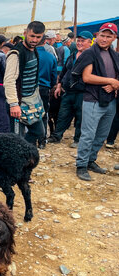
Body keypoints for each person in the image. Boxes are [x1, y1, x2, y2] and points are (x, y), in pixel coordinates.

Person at [72, 23, 119, 181]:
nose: (104, 39)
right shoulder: (90, 53)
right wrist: (111, 81)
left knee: (102, 135)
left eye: (109, 36)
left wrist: (114, 85)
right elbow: (87, 77)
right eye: (102, 35)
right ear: (97, 36)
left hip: (110, 99)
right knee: (88, 134)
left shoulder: (113, 54)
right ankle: (81, 165)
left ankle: (91, 160)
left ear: (114, 38)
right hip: (93, 99)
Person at [48, 31, 93, 148]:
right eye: (78, 40)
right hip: (68, 92)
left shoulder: (92, 57)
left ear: (90, 42)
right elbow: (64, 72)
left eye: (83, 41)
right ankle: (56, 136)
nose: (79, 43)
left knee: (80, 117)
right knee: (63, 115)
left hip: (83, 92)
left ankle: (77, 140)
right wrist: (59, 85)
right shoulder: (72, 55)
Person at [3, 21, 46, 144]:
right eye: (32, 36)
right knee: (17, 140)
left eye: (38, 37)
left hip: (32, 102)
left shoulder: (34, 51)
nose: (34, 40)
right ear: (25, 33)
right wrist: (13, 104)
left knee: (39, 132)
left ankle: (23, 155)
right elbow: (9, 80)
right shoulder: (16, 53)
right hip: (18, 103)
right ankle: (18, 159)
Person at [36, 35, 58, 149]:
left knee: (27, 113)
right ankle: (42, 140)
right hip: (44, 88)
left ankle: (29, 139)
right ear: (45, 42)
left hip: (30, 88)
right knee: (43, 115)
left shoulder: (30, 55)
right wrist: (52, 85)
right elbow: (54, 76)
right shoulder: (50, 57)